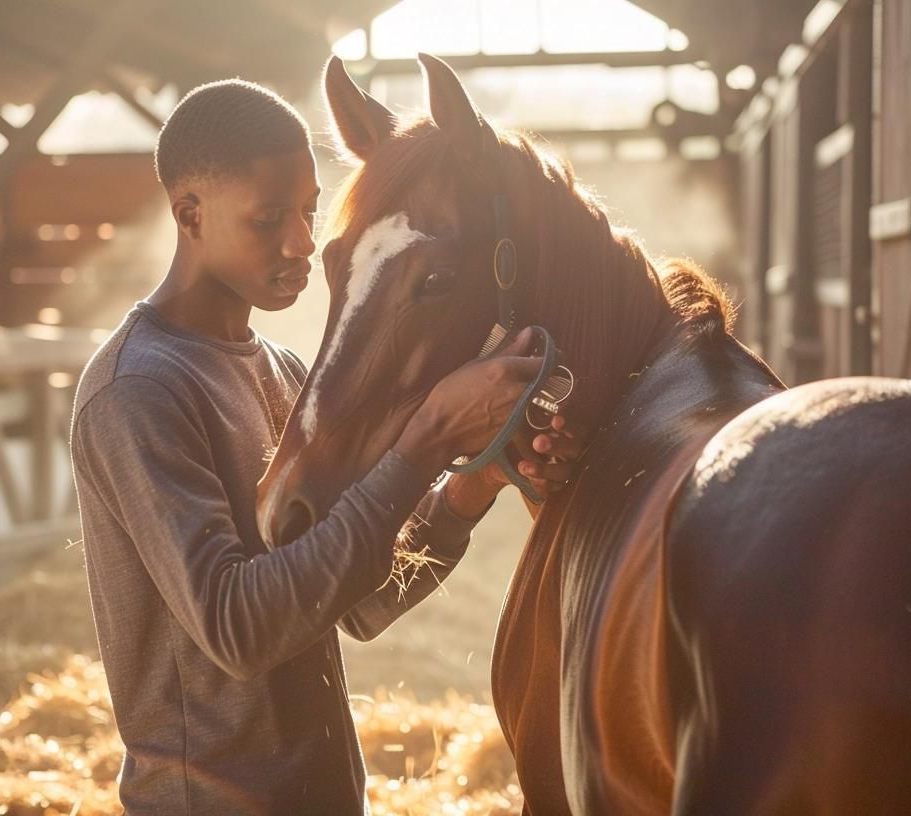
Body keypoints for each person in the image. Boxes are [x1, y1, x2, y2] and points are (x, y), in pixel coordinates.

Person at [68, 78, 582, 814]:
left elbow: (353, 605)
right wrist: (426, 439)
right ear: (190, 215)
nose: (303, 241)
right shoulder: (137, 392)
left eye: (309, 210)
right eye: (269, 217)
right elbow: (240, 628)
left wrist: (473, 484)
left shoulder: (280, 370)